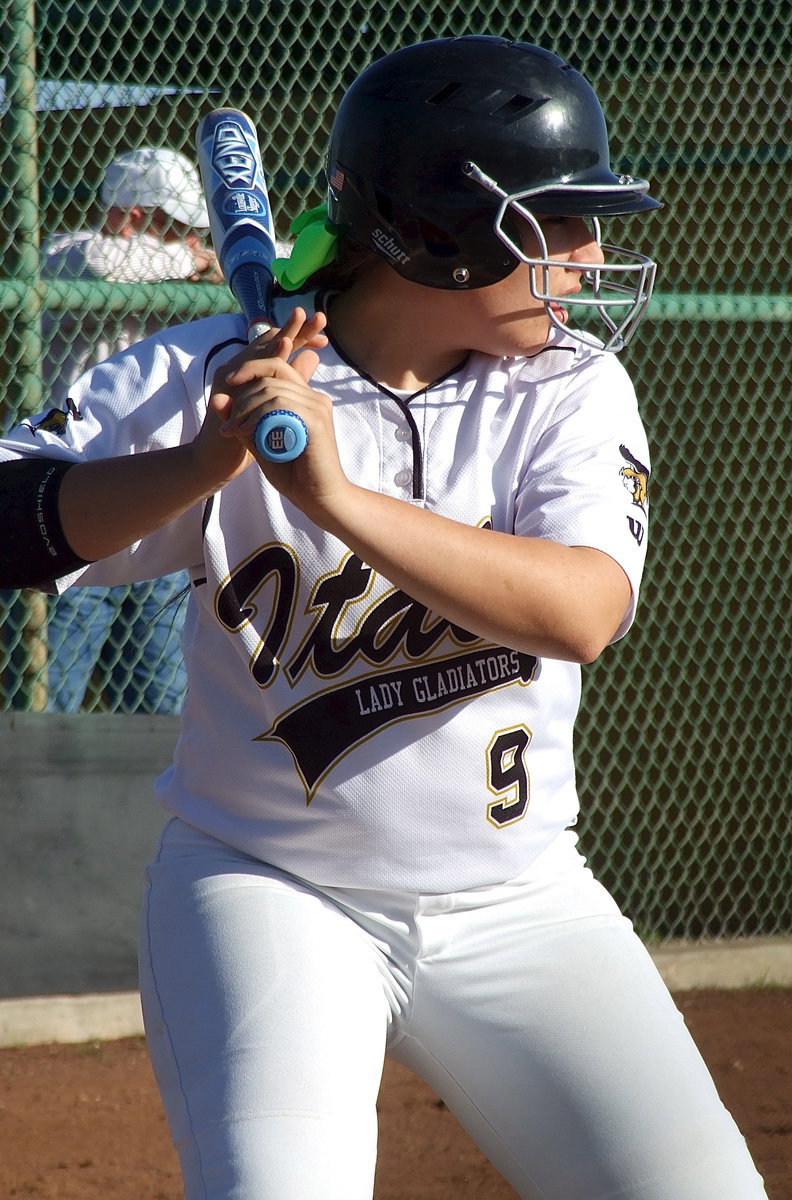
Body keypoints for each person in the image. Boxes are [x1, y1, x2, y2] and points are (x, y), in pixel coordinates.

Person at [0, 36, 768, 1200]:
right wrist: (199, 462)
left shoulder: (565, 385)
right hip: (270, 890)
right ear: (437, 234)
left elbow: (583, 610)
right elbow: (13, 517)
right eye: (556, 222)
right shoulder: (212, 373)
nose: (591, 255)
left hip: (524, 900)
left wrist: (340, 501)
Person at [38, 146, 221, 711]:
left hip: (164, 500)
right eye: (176, 227)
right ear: (133, 216)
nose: (190, 242)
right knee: (49, 696)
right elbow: (99, 261)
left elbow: (282, 257)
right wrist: (188, 262)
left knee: (162, 703)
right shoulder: (68, 252)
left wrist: (209, 261)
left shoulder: (184, 267)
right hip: (77, 498)